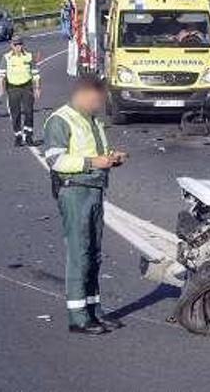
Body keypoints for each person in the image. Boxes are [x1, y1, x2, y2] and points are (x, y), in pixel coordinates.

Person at [42, 75, 127, 335]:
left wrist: (113, 158)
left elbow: (97, 151)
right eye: (96, 96)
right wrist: (93, 163)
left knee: (94, 253)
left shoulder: (92, 119)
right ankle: (78, 317)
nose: (99, 102)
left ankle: (94, 310)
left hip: (95, 190)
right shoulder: (60, 119)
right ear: (82, 94)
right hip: (75, 191)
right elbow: (55, 160)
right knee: (80, 253)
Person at [0, 36, 40, 146]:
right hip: (13, 88)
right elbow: (2, 75)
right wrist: (1, 88)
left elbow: (35, 74)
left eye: (20, 44)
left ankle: (29, 136)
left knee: (29, 112)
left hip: (27, 87)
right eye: (15, 45)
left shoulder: (29, 56)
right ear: (12, 46)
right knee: (15, 113)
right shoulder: (6, 57)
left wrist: (37, 88)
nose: (18, 47)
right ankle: (18, 136)